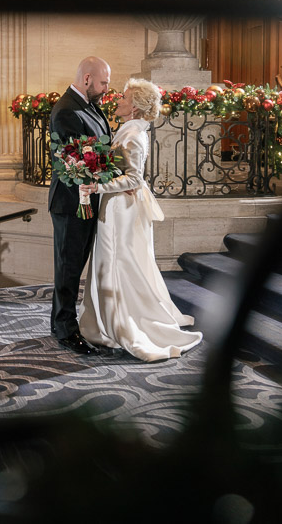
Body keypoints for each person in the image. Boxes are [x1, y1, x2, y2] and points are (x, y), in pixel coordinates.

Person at [77, 78, 203, 362]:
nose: (118, 100)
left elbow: (134, 178)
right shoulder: (129, 129)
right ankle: (107, 319)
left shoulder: (134, 135)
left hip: (123, 208)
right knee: (116, 260)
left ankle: (125, 321)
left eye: (123, 97)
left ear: (134, 107)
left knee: (121, 261)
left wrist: (98, 186)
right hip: (118, 205)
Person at [49, 56, 112, 355]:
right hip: (72, 202)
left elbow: (100, 149)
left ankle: (62, 325)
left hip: (87, 199)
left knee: (76, 265)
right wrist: (115, 168)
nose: (106, 89)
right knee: (68, 268)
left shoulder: (89, 106)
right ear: (87, 78)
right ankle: (65, 331)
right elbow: (74, 162)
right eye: (103, 83)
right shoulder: (66, 111)